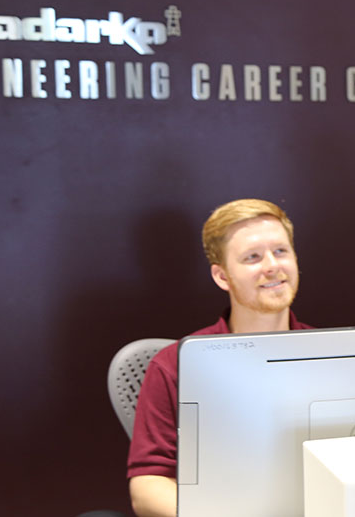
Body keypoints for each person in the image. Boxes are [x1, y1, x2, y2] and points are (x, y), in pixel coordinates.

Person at [126, 199, 314, 517]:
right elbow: (148, 487)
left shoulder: (329, 355)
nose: (272, 265)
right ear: (222, 276)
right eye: (252, 257)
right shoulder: (176, 366)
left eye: (281, 251)